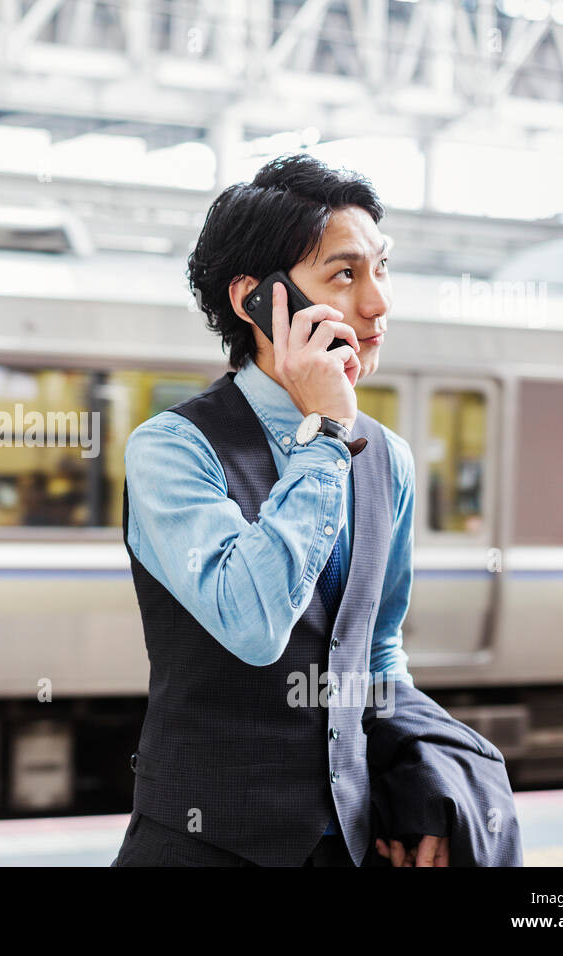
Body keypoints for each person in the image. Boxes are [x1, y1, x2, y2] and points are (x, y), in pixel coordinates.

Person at [113, 154, 448, 867]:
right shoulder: (173, 450)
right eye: (345, 274)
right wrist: (324, 435)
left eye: (381, 269)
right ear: (256, 301)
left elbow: (378, 651)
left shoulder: (387, 460)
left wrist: (416, 780)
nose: (378, 304)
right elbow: (253, 623)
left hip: (349, 851)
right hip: (201, 848)